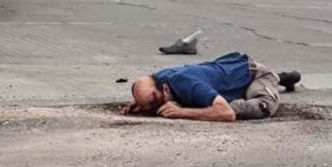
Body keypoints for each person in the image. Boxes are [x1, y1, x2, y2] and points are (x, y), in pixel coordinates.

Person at [122, 52, 301, 122]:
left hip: (254, 75)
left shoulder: (189, 85)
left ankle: (276, 78)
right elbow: (148, 88)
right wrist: (141, 102)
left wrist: (182, 113)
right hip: (229, 68)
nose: (155, 110)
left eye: (155, 103)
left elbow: (227, 114)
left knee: (256, 107)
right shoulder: (158, 80)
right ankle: (281, 78)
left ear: (166, 90)